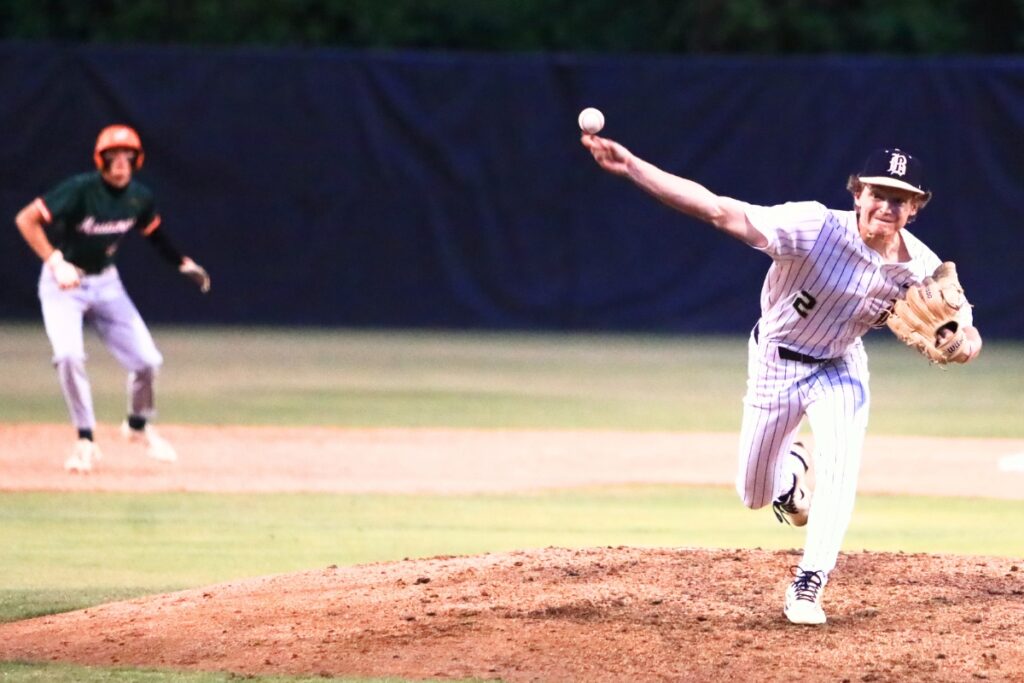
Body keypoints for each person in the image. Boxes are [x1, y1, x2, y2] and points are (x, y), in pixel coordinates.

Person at [581, 134, 982, 625]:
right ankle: (789, 478)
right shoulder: (812, 226)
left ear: (916, 207)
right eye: (878, 193)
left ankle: (810, 583)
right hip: (776, 362)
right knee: (753, 493)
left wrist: (961, 346)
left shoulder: (921, 266)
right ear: (857, 193)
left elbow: (966, 333)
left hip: (840, 367)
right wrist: (633, 168)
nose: (887, 205)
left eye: (900, 198)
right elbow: (717, 211)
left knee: (839, 467)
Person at [15, 124, 211, 474]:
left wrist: (183, 263)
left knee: (149, 361)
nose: (120, 163)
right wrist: (55, 261)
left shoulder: (138, 197)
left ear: (137, 160)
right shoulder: (80, 191)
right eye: (112, 157)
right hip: (64, 282)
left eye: (127, 157)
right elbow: (26, 219)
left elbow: (154, 233)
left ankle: (137, 427)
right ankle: (85, 440)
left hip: (106, 283)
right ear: (100, 160)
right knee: (69, 355)